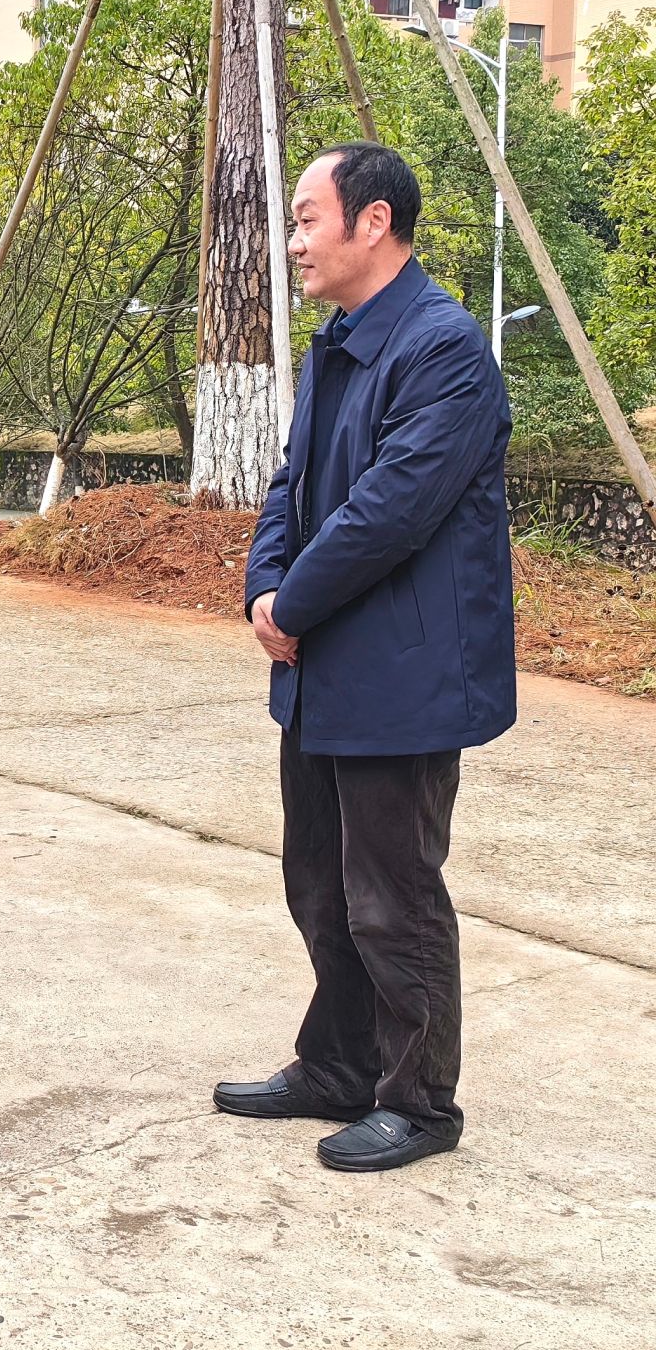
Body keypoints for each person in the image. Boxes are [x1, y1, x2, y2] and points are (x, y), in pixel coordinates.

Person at [217, 141, 514, 1173]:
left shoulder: (443, 350)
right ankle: (339, 1065)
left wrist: (290, 604)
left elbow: (390, 510)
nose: (294, 240)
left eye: (308, 218)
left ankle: (419, 1102)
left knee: (393, 896)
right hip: (320, 666)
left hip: (403, 674)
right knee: (318, 882)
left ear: (372, 221)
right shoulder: (337, 345)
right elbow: (291, 484)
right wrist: (263, 589)